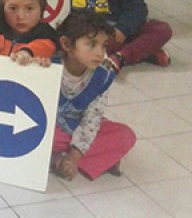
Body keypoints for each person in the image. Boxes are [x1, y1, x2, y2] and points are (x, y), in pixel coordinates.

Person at [53, 10, 136, 180]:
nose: (100, 53)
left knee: (126, 135)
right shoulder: (49, 65)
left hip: (77, 126)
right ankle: (60, 159)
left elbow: (92, 118)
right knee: (49, 138)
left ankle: (63, 159)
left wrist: (75, 154)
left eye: (103, 46)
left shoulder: (102, 76)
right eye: (91, 44)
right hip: (52, 128)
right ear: (66, 44)